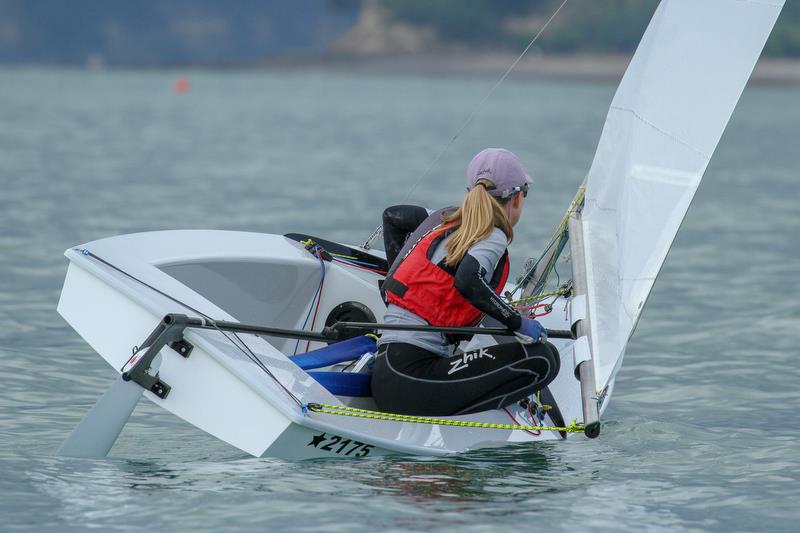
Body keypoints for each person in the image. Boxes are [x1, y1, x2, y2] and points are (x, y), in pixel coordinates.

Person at [372, 148, 561, 416]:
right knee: (544, 358)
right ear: (517, 199)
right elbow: (468, 279)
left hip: (388, 372)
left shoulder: (441, 220)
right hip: (413, 381)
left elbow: (393, 216)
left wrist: (400, 276)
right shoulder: (492, 235)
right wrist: (518, 323)